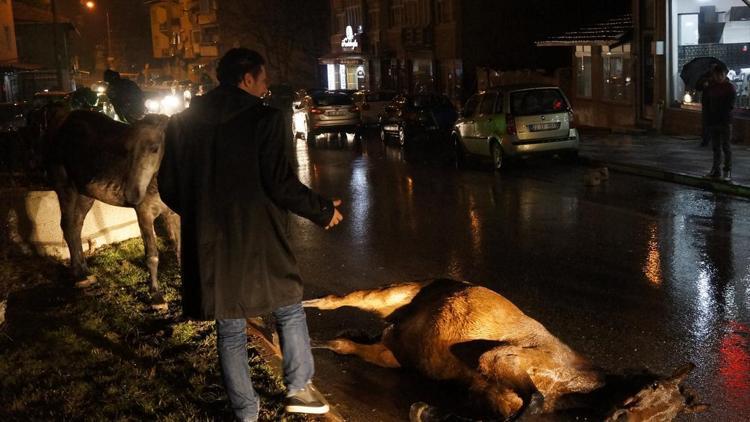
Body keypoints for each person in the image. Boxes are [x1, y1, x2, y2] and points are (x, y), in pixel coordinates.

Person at [157, 48, 343, 421]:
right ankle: (299, 388)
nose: (266, 86)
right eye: (263, 79)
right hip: (260, 237)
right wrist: (324, 211)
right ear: (247, 80)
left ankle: (245, 412)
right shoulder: (266, 119)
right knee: (288, 306)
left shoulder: (181, 122)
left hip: (210, 244)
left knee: (229, 326)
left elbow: (169, 186)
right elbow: (280, 184)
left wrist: (201, 214)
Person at [702, 64, 736, 180]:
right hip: (713, 121)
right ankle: (716, 170)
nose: (718, 77)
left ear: (724, 74)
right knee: (716, 148)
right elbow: (706, 103)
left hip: (725, 121)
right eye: (716, 75)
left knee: (726, 147)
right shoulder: (710, 87)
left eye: (720, 75)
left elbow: (729, 106)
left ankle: (727, 171)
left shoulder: (730, 88)